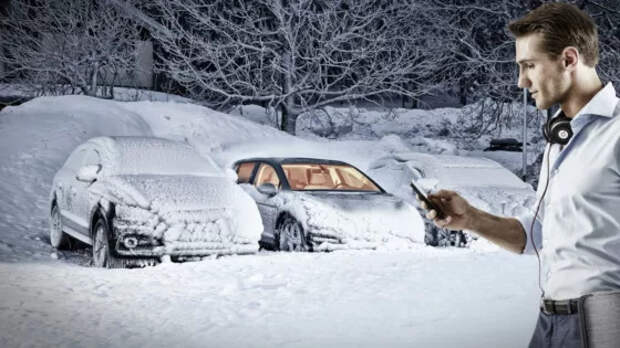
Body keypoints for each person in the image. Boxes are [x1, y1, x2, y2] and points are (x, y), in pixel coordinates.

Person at [418, 3, 620, 348]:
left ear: (569, 59)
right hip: (549, 325)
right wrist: (470, 218)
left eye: (529, 66)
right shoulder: (560, 140)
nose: (520, 80)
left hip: (603, 329)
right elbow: (539, 234)